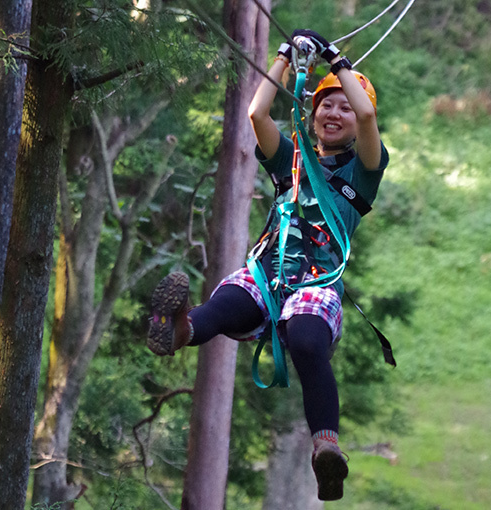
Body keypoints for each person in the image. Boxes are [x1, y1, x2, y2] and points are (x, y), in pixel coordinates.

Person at [146, 28, 388, 501]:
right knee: (225, 306)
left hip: (318, 282)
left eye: (343, 107)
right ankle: (178, 330)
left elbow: (367, 110)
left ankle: (325, 450)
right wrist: (283, 57)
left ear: (357, 125)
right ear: (312, 113)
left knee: (305, 337)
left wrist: (335, 61)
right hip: (268, 273)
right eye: (325, 104)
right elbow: (256, 113)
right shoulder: (291, 160)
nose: (335, 112)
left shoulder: (365, 169)